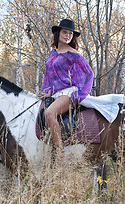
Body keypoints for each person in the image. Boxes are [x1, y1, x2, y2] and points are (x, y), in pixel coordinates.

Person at [40, 18, 94, 161]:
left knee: (50, 113)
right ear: (57, 33)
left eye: (70, 34)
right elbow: (49, 76)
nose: (68, 36)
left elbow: (89, 74)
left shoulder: (73, 54)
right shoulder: (53, 53)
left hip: (69, 92)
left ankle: (59, 152)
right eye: (65, 32)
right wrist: (47, 90)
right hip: (56, 93)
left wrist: (79, 95)